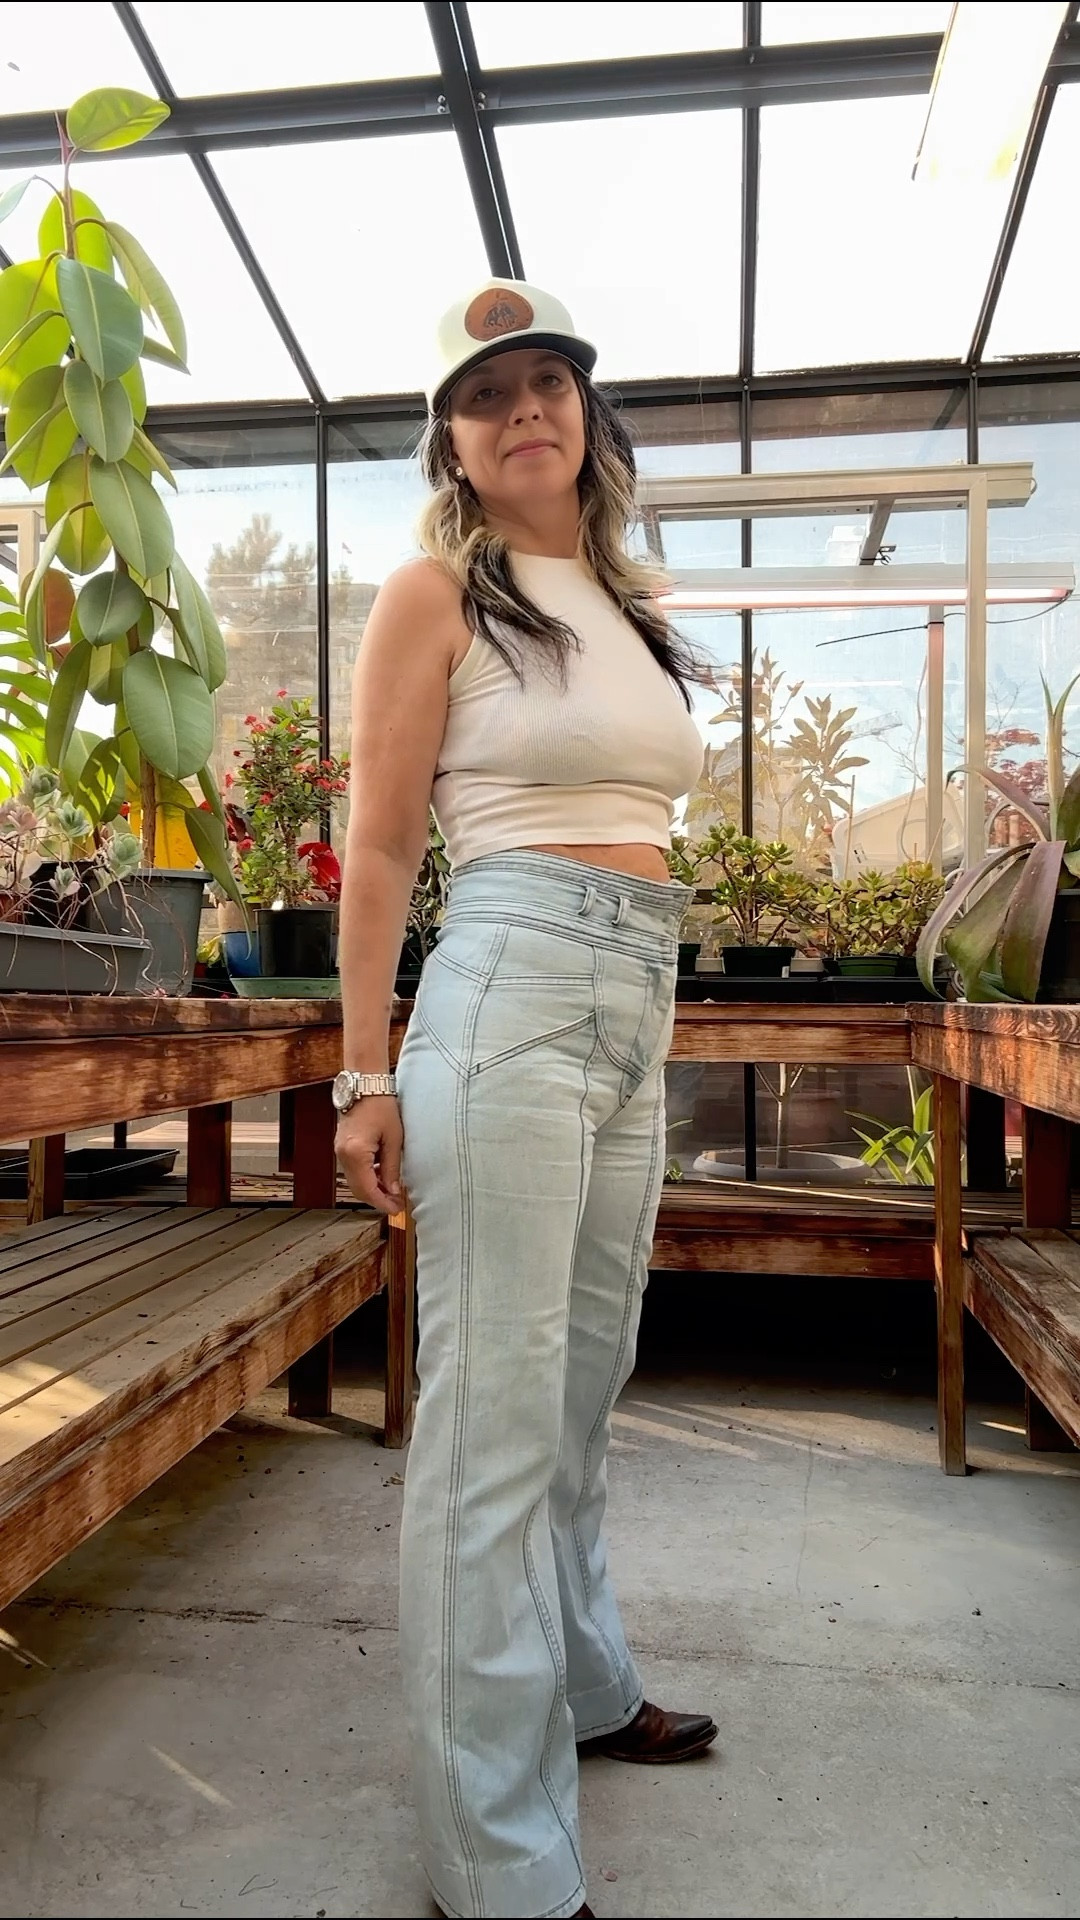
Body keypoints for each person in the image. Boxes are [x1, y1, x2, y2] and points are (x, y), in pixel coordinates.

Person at [334, 279, 718, 1920]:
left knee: (578, 1389)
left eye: (549, 380)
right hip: (508, 991)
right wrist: (362, 1070)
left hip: (635, 994)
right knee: (491, 1425)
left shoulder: (623, 598)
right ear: (455, 442)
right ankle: (488, 1853)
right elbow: (381, 846)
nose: (525, 409)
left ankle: (577, 1682)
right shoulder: (435, 594)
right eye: (489, 395)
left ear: (588, 416)